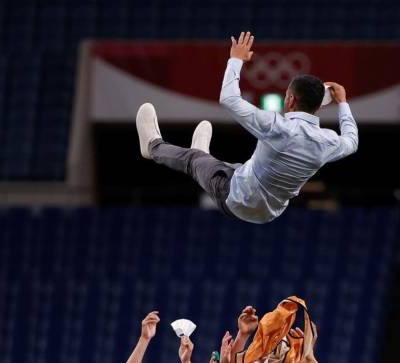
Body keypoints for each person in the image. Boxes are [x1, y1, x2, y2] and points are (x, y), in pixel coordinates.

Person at [136, 32, 358, 224]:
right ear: (319, 107)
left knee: (193, 161)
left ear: (289, 100)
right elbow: (352, 141)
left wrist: (235, 59)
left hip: (236, 200)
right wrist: (343, 103)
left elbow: (229, 99)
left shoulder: (277, 127)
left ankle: (153, 147)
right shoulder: (328, 141)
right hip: (269, 211)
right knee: (240, 167)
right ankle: (204, 156)